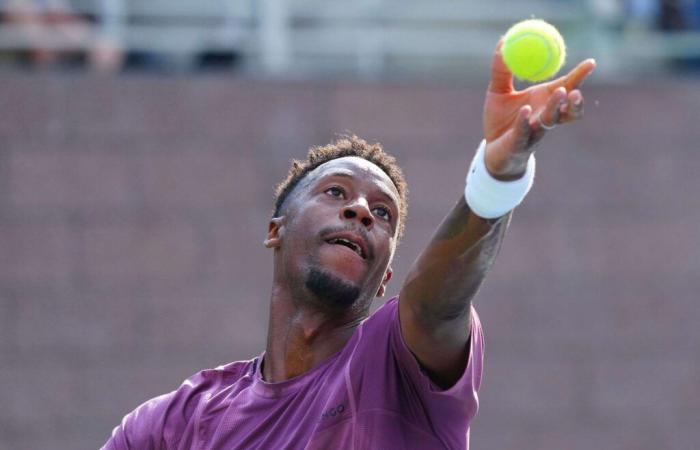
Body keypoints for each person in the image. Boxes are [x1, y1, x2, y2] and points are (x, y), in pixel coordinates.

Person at [102, 41, 596, 449]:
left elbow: (436, 303)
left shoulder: (394, 362)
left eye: (382, 213)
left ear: (385, 277)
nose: (360, 210)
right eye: (335, 192)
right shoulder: (179, 423)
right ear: (276, 230)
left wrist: (496, 176)